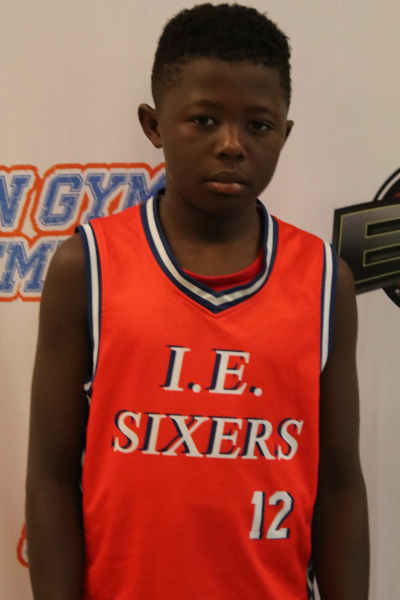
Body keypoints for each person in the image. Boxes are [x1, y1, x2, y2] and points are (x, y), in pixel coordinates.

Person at [25, 4, 369, 599]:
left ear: (285, 134)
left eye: (259, 125)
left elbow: (339, 484)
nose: (232, 145)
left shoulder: (322, 280)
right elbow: (52, 475)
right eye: (204, 119)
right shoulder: (87, 267)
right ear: (154, 125)